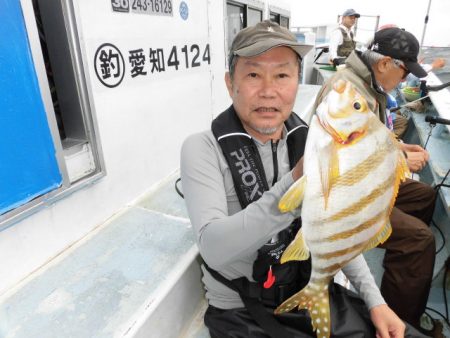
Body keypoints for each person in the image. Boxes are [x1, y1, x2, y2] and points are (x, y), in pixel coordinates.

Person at [181, 20, 426, 338]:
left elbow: (338, 227)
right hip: (242, 311)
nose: (268, 90)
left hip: (311, 291)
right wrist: (296, 180)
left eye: (282, 75)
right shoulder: (201, 148)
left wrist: (376, 300)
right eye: (253, 74)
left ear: (297, 82)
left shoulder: (310, 138)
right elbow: (212, 248)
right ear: (231, 84)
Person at [312, 27, 437, 336]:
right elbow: (339, 163)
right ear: (385, 64)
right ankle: (400, 325)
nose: (406, 79)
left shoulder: (369, 85)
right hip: (344, 201)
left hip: (367, 189)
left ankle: (399, 271)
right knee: (419, 240)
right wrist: (400, 161)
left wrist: (399, 147)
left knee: (423, 195)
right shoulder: (345, 91)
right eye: (405, 71)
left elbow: (370, 138)